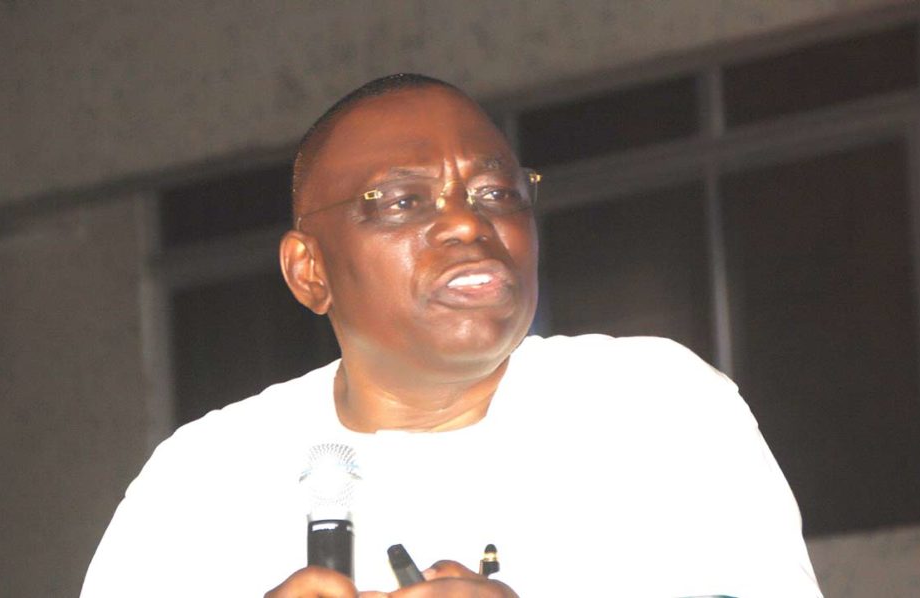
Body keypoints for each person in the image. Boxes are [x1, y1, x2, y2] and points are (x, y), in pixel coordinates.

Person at [81, 74, 822, 597]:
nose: (469, 222)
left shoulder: (651, 404)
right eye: (403, 201)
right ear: (310, 271)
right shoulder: (201, 482)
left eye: (497, 192)